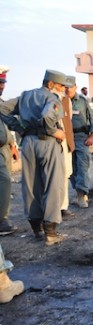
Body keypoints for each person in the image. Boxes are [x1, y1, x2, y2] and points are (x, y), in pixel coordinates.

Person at [0, 69, 68, 245]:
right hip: (47, 142)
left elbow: (2, 109)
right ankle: (51, 232)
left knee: (31, 184)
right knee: (54, 184)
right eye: (60, 85)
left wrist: (19, 128)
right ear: (51, 84)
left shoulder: (26, 95)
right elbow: (47, 116)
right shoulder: (52, 98)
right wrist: (55, 131)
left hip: (28, 142)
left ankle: (36, 229)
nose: (63, 89)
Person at [67, 76, 93, 209]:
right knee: (70, 168)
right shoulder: (60, 101)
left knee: (82, 166)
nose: (67, 89)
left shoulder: (84, 101)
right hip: (66, 138)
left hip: (82, 137)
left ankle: (82, 194)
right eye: (65, 87)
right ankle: (78, 191)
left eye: (70, 87)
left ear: (75, 87)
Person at [0, 66, 18, 235]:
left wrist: (13, 144)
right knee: (4, 182)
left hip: (4, 149)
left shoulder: (2, 103)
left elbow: (5, 125)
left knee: (6, 183)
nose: (2, 86)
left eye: (3, 83)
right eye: (0, 83)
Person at [59, 76, 76, 218]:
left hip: (64, 141)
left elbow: (67, 120)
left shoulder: (66, 101)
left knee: (65, 174)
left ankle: (63, 206)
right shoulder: (46, 99)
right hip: (50, 143)